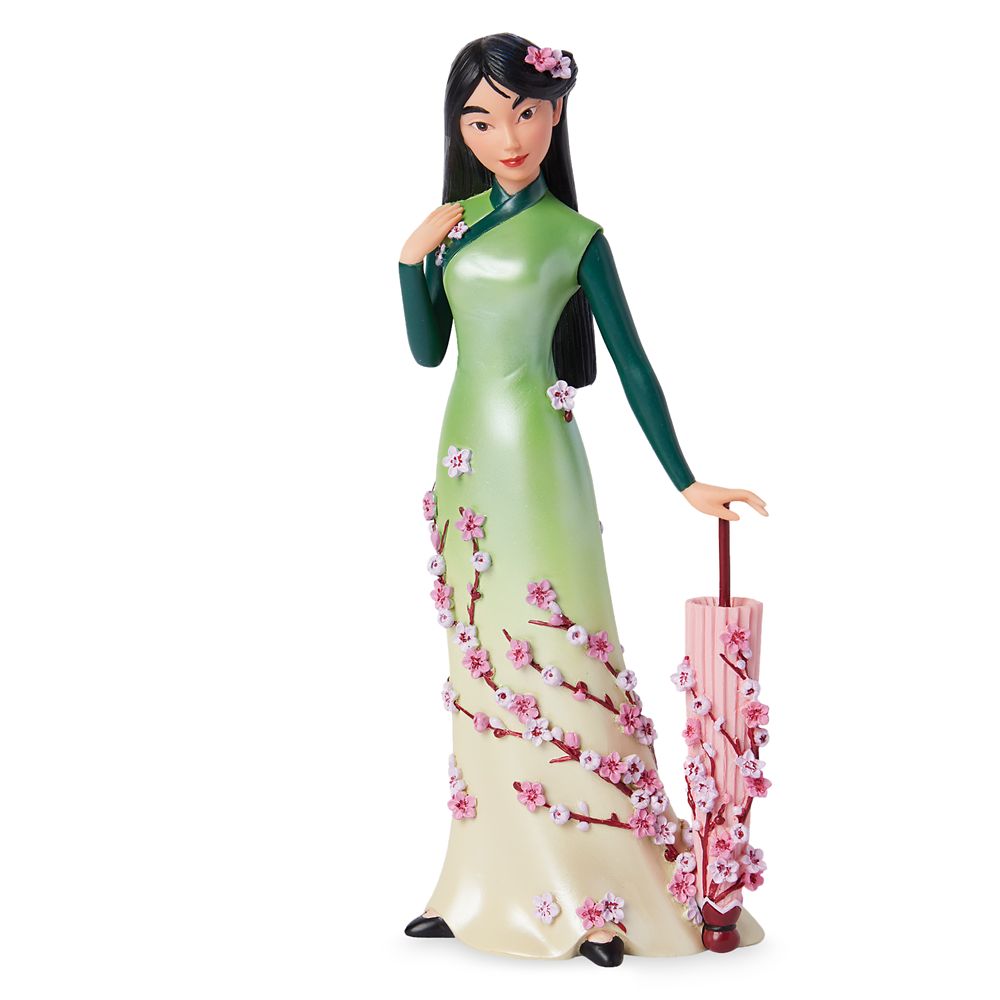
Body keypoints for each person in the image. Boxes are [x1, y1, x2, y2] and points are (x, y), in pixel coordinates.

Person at [397, 33, 768, 966]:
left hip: (541, 463)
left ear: (555, 112)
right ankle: (478, 881)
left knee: (558, 646)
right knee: (481, 658)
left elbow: (634, 365)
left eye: (525, 113)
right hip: (465, 464)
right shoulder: (457, 224)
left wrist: (686, 480)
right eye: (482, 121)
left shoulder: (577, 236)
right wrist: (411, 265)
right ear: (460, 130)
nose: (507, 137)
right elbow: (429, 352)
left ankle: (599, 894)